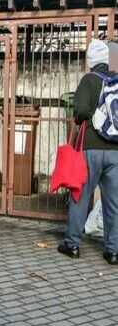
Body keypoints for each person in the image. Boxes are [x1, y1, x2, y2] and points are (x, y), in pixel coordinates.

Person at [58, 39, 118, 265]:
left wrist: (81, 116)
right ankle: (113, 251)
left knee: (80, 196)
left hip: (91, 148)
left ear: (91, 62)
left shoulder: (89, 80)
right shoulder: (116, 82)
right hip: (115, 150)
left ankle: (72, 245)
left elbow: (81, 110)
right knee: (113, 202)